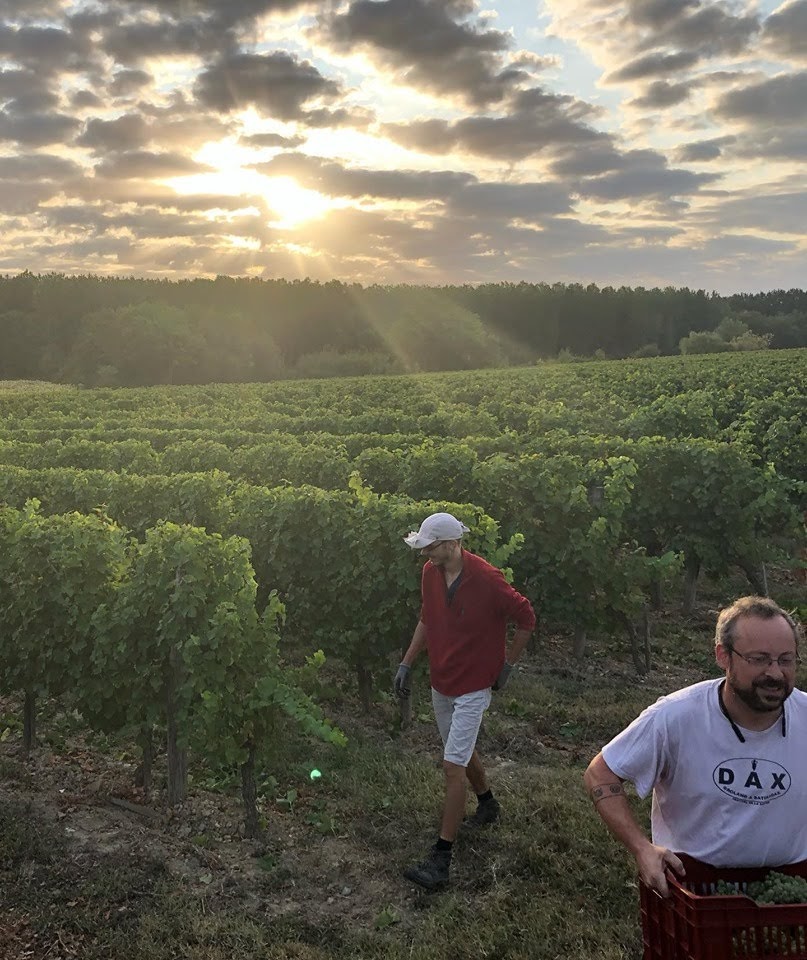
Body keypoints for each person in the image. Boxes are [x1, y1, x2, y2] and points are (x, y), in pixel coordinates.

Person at [584, 596, 806, 897]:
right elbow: (601, 773)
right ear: (723, 656)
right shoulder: (676, 717)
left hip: (790, 894)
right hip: (694, 894)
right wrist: (642, 849)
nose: (775, 673)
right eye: (759, 659)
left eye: (785, 659)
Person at [395, 511, 536, 890]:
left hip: (474, 684)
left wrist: (508, 665)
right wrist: (407, 662)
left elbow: (526, 617)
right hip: (442, 680)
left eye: (432, 547)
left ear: (452, 544)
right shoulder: (430, 573)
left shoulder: (488, 579)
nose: (426, 555)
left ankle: (441, 859)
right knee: (459, 748)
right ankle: (487, 803)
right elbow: (427, 617)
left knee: (451, 766)